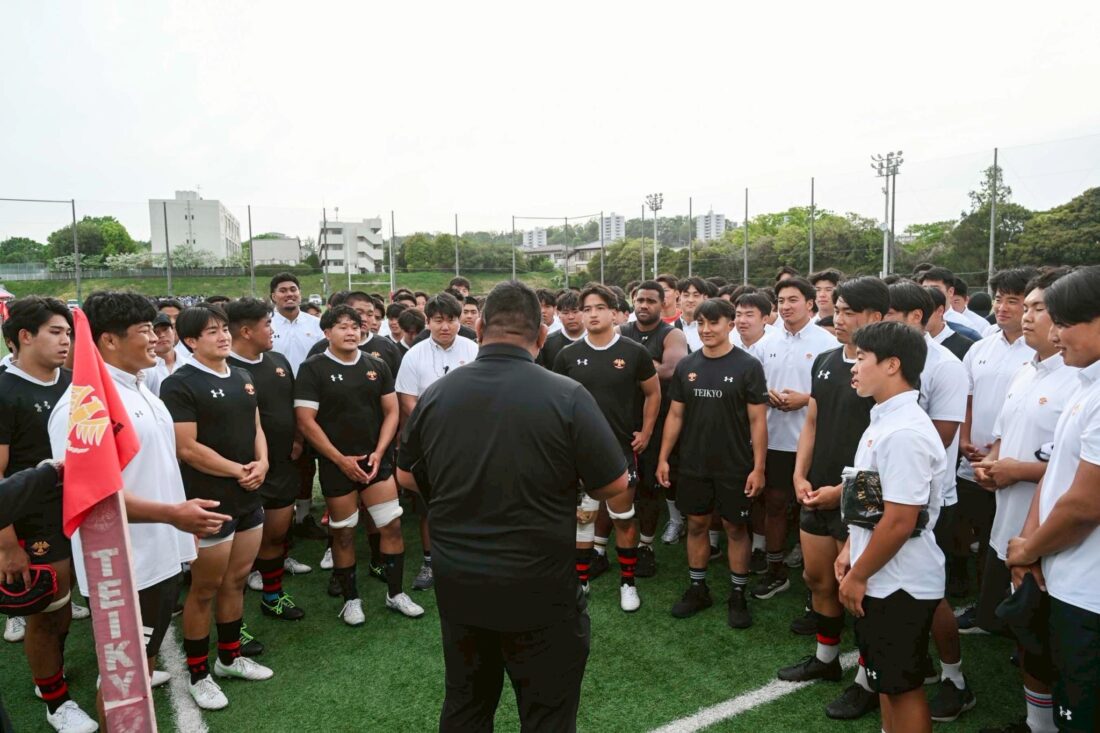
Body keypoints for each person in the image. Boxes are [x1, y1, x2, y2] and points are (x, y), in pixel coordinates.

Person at [396, 280, 629, 732]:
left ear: (479, 328)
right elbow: (615, 485)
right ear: (541, 337)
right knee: (546, 714)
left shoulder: (439, 394)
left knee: (466, 705)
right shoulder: (567, 395)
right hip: (539, 586)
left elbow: (407, 475)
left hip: (460, 584)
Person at [47, 292, 229, 726]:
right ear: (108, 340)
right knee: (121, 680)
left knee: (139, 669)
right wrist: (173, 516)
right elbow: (88, 497)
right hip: (125, 567)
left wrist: (181, 523)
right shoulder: (84, 406)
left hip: (159, 555)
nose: (157, 339)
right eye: (146, 330)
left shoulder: (140, 389)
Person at [776, 277, 891, 722]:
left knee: (856, 592)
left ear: (876, 318)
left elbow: (883, 450)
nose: (838, 319)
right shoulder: (825, 359)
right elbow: (812, 423)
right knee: (817, 578)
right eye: (837, 310)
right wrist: (800, 473)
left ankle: (866, 680)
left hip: (860, 497)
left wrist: (840, 492)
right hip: (816, 489)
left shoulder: (884, 371)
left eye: (849, 312)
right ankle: (826, 659)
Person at [970, 268, 1075, 733]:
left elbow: (1082, 471)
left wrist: (1019, 471)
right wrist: (993, 465)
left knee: (1060, 643)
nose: (1025, 316)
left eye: (1037, 308)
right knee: (1029, 637)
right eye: (1023, 306)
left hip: (1059, 537)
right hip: (1011, 522)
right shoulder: (1024, 370)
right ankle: (1038, 722)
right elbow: (1002, 438)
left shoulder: (1080, 383)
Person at [159, 303, 275, 711]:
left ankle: (229, 658)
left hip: (248, 495)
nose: (223, 336)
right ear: (190, 341)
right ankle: (198, 672)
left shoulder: (242, 375)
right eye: (212, 332)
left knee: (237, 579)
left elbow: (256, 426)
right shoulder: (180, 384)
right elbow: (186, 448)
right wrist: (237, 470)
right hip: (210, 500)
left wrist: (262, 462)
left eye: (224, 329)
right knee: (205, 588)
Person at [837, 320, 947, 733]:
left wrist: (859, 573)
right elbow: (871, 501)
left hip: (898, 581)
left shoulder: (904, 430)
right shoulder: (884, 419)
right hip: (882, 576)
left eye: (862, 357)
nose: (854, 365)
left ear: (892, 364)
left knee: (902, 688)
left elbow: (901, 520)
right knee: (886, 683)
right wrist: (851, 551)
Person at [1006, 265, 1100, 733]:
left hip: (1090, 589)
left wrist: (1030, 547)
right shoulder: (1087, 385)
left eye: (1064, 322)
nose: (1056, 335)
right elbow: (1056, 478)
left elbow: (1085, 503)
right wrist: (1030, 547)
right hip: (1064, 575)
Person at [295, 305, 423, 624]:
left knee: (391, 525)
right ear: (327, 333)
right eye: (342, 326)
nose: (351, 331)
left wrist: (380, 452)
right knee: (343, 533)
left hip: (375, 461)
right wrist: (339, 459)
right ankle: (351, 599)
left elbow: (391, 412)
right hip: (337, 464)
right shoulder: (313, 368)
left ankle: (396, 594)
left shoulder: (375, 365)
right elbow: (306, 421)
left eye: (355, 325)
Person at [0, 297, 93, 733]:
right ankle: (56, 702)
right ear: (24, 336)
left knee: (71, 607)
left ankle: (50, 677)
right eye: (56, 332)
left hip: (82, 513)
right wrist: (8, 545)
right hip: (33, 522)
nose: (65, 341)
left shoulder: (75, 382)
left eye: (68, 334)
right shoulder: (5, 390)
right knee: (48, 610)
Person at [885, 281, 974, 722]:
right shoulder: (888, 359)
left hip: (929, 497)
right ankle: (909, 663)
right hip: (892, 492)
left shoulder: (946, 366)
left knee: (929, 593)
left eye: (891, 314)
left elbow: (941, 436)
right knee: (895, 589)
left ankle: (955, 677)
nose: (883, 321)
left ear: (916, 317)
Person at [657, 298, 768, 628]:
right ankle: (697, 588)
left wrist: (758, 467)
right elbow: (675, 414)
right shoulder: (688, 365)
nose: (706, 330)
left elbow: (758, 422)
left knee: (735, 527)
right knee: (697, 525)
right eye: (701, 323)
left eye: (714, 323)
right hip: (693, 464)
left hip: (735, 465)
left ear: (730, 324)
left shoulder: (747, 366)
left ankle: (738, 593)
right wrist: (663, 457)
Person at [553, 284, 659, 612]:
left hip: (619, 452)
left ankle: (628, 582)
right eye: (586, 309)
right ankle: (581, 580)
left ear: (614, 312)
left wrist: (647, 431)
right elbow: (556, 404)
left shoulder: (633, 352)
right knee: (583, 518)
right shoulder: (566, 356)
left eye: (600, 307)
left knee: (623, 518)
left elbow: (653, 393)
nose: (593, 314)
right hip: (577, 454)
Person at [955, 268, 1035, 624]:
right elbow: (967, 399)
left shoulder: (1039, 355)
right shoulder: (980, 347)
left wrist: (999, 454)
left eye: (1012, 301)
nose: (1002, 307)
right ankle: (983, 603)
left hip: (1015, 467)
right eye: (999, 299)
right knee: (980, 535)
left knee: (1011, 537)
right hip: (974, 461)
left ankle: (1008, 609)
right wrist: (965, 440)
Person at [225, 298, 310, 622]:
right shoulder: (226, 368)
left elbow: (291, 405)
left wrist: (298, 439)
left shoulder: (277, 360)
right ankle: (234, 622)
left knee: (276, 535)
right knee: (238, 557)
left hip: (283, 465)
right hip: (245, 473)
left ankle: (273, 597)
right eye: (267, 325)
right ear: (246, 331)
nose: (272, 330)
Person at [755, 277, 838, 600]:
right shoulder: (767, 343)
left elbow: (836, 391)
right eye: (781, 301)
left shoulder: (826, 342)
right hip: (775, 438)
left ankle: (818, 578)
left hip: (813, 441)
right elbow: (753, 387)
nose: (786, 306)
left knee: (813, 508)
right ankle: (776, 571)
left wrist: (806, 399)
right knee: (774, 504)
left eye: (793, 300)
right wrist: (767, 395)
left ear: (810, 303)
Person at [395, 293, 478, 591]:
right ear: (427, 321)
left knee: (471, 501)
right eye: (439, 320)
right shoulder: (414, 354)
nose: (445, 326)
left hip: (469, 442)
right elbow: (407, 400)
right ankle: (431, 561)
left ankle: (468, 559)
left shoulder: (474, 349)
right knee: (430, 505)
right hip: (429, 443)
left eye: (451, 320)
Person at [619, 281, 689, 573]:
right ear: (632, 301)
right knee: (619, 488)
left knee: (650, 487)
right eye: (639, 300)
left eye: (651, 301)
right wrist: (650, 364)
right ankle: (606, 546)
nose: (644, 305)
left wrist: (629, 362)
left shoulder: (672, 334)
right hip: (621, 418)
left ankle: (646, 546)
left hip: (657, 421)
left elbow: (673, 370)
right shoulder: (622, 331)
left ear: (663, 305)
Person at [917, 268, 985, 341]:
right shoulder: (915, 320)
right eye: (924, 289)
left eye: (935, 288)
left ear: (950, 291)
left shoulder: (966, 326)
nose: (928, 293)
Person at [924, 287, 974, 361]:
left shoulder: (966, 346)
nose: (918, 317)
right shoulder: (908, 343)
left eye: (924, 311)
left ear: (940, 311)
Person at [536, 290, 584, 368]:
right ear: (558, 313)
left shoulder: (595, 340)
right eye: (565, 313)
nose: (571, 317)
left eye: (575, 312)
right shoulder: (546, 342)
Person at [142, 312, 181, 396]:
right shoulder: (143, 370)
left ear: (173, 331)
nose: (162, 335)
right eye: (155, 331)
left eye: (165, 329)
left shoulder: (190, 362)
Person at [677, 277, 717, 352]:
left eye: (696, 295)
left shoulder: (712, 329)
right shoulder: (669, 328)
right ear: (679, 297)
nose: (690, 300)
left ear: (705, 297)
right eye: (686, 295)